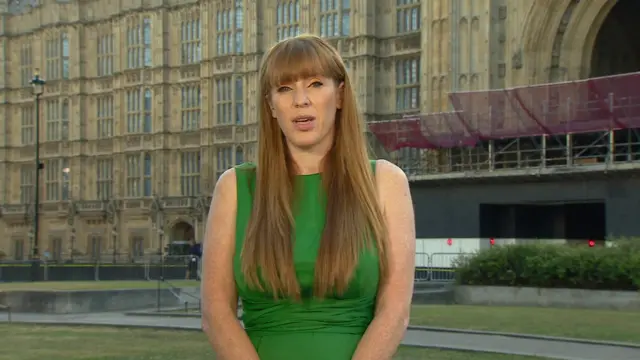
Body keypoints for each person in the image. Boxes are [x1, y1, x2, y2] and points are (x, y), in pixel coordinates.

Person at [201, 34, 415, 360]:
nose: (301, 100)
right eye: (285, 89)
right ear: (271, 106)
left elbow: (395, 309)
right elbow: (216, 312)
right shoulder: (234, 187)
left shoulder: (386, 182)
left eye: (315, 84)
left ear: (340, 94)